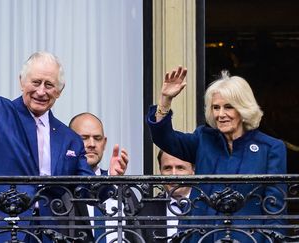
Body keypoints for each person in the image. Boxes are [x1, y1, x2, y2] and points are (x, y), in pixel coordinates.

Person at [0, 9, 127, 242]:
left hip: (45, 236)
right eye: (36, 82)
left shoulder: (69, 138)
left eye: (49, 85)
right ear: (21, 82)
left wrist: (111, 179)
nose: (41, 91)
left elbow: (85, 190)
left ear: (60, 91)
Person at [146, 67, 286, 242]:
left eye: (228, 107)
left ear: (243, 109)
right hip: (202, 237)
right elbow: (165, 139)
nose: (220, 114)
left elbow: (275, 207)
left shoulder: (270, 148)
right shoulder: (203, 139)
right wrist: (165, 101)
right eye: (215, 107)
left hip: (248, 239)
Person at [68, 112, 130, 243]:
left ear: (105, 142)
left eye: (97, 138)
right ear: (70, 141)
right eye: (84, 138)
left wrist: (111, 178)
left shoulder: (121, 187)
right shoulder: (63, 188)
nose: (91, 144)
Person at [130, 150, 195, 243]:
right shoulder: (145, 209)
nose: (173, 174)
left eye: (180, 168)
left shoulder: (208, 207)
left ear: (193, 171)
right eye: (167, 168)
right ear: (160, 171)